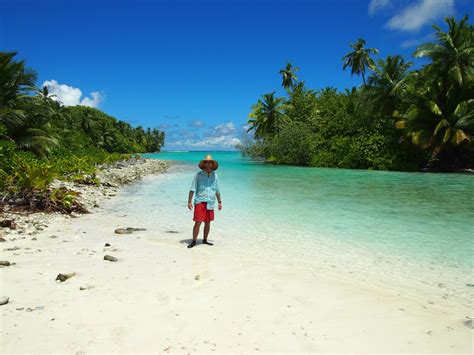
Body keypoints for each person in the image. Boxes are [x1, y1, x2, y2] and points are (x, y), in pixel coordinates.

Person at [187, 154, 222, 248]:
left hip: (210, 202)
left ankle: (205, 240)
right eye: (206, 162)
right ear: (204, 164)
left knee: (208, 222)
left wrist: (219, 202)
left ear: (212, 164)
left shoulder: (215, 176)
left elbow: (217, 190)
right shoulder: (198, 175)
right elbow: (192, 189)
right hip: (200, 201)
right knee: (197, 222)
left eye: (210, 162)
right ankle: (194, 241)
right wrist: (189, 201)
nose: (208, 164)